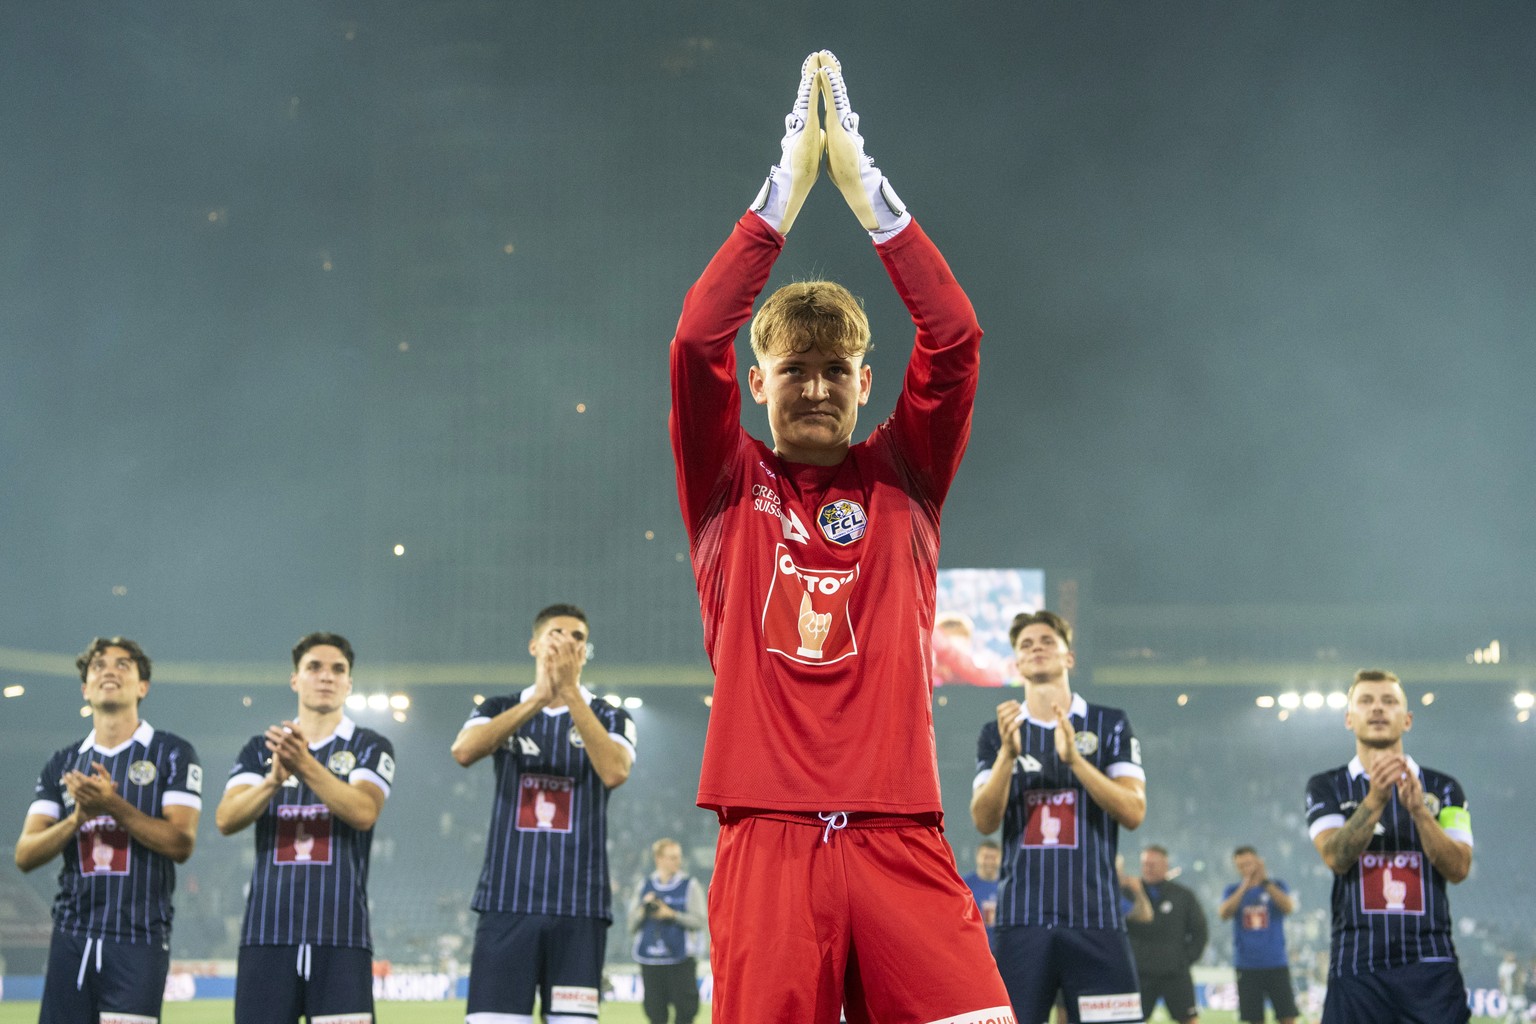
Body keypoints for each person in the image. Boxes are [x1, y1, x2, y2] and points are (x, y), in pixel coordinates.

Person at [668, 49, 1012, 1024]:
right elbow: (696, 342)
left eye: (837, 370)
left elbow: (954, 337)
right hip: (767, 839)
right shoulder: (726, 485)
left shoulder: (905, 476)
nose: (816, 384)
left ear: (867, 386)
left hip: (899, 831)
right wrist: (782, 196)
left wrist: (868, 196)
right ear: (761, 380)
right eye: (795, 367)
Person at [450, 604, 635, 1024]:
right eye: (557, 633)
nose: (568, 642)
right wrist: (539, 698)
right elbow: (463, 751)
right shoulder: (498, 706)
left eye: (578, 638)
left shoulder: (611, 716)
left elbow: (615, 770)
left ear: (586, 652)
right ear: (534, 645)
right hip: (506, 901)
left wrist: (569, 692)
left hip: (579, 906)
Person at [971, 609, 1149, 1024]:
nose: (1036, 648)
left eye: (1047, 641)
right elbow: (984, 820)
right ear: (1016, 664)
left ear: (1069, 657)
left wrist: (1077, 763)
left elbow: (1134, 811)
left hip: (1096, 918)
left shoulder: (1110, 724)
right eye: (1026, 644)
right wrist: (1007, 757)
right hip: (1022, 921)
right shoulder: (996, 732)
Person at [14, 636, 202, 1024]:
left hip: (138, 938)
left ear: (142, 686)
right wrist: (77, 819)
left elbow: (181, 843)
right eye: (98, 665)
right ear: (85, 687)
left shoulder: (171, 753)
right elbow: (25, 855)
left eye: (123, 664)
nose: (109, 671)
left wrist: (112, 805)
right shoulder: (62, 763)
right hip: (71, 936)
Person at [215, 632, 395, 1024]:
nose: (326, 676)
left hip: (341, 935)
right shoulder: (259, 750)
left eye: (338, 670)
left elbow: (364, 811)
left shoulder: (370, 746)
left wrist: (305, 763)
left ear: (349, 683)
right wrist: (272, 780)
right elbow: (226, 820)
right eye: (314, 667)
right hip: (267, 934)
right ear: (295, 679)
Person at [1305, 668, 1473, 1024]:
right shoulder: (1327, 787)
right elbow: (1335, 856)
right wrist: (1376, 799)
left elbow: (1459, 868)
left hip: (1431, 967)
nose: (1378, 709)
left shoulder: (1444, 789)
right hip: (1357, 966)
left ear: (1407, 720)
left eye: (1389, 701)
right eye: (1366, 701)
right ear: (1349, 719)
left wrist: (1418, 811)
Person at [627, 838, 707, 1024]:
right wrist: (643, 908)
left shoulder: (690, 885)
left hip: (681, 960)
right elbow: (631, 924)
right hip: (651, 960)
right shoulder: (644, 886)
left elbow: (700, 921)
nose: (677, 862)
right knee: (655, 1014)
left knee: (686, 1012)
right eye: (672, 857)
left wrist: (671, 914)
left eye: (678, 857)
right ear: (659, 859)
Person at [1126, 845, 1207, 1024]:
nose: (1148, 868)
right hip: (1141, 972)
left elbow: (1200, 931)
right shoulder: (1129, 894)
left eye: (1153, 864)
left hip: (1175, 972)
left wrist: (1184, 959)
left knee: (1189, 1019)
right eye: (1145, 864)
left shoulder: (1183, 896)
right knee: (1133, 1019)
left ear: (1165, 865)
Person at [1218, 845, 1299, 1024]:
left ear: (1259, 862)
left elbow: (1288, 907)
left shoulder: (1276, 885)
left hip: (1276, 962)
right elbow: (1224, 913)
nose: (1246, 869)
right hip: (1247, 965)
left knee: (1287, 1016)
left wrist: (1265, 882)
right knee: (1254, 1018)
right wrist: (1244, 886)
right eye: (1241, 865)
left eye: (1249, 863)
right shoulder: (1232, 890)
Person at [961, 839, 1002, 928]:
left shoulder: (1007, 885)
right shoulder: (964, 885)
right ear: (977, 857)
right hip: (973, 939)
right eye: (986, 857)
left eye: (993, 857)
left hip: (1000, 940)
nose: (989, 862)